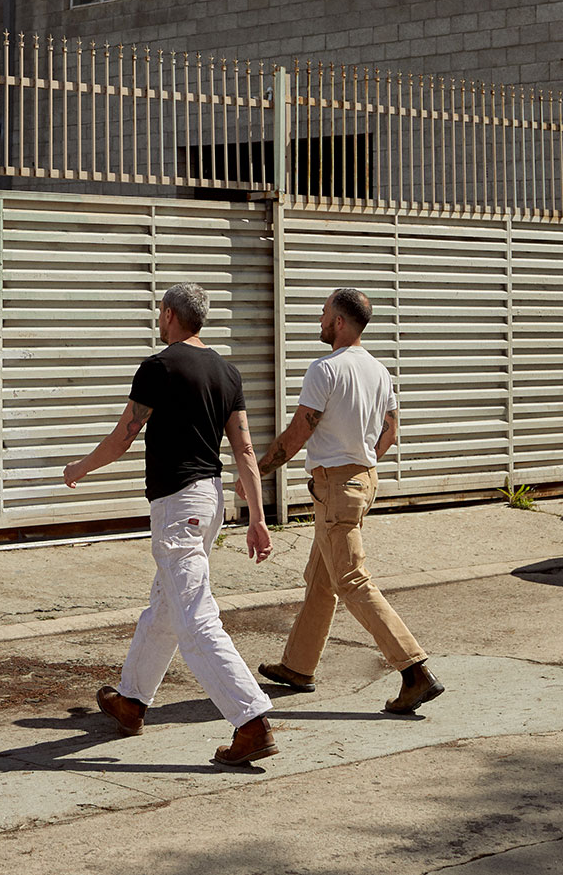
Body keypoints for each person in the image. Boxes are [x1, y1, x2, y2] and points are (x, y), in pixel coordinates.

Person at [63, 283, 278, 766]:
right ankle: (132, 702)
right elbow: (244, 450)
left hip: (178, 506)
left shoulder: (158, 368)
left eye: (160, 313)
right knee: (165, 607)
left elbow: (122, 437)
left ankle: (251, 721)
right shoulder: (227, 372)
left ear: (168, 315)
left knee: (195, 618)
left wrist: (80, 468)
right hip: (209, 501)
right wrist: (258, 518)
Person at [248, 286, 444, 714]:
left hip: (337, 487)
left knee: (351, 579)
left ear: (338, 321)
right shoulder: (379, 371)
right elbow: (390, 432)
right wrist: (361, 464)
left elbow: (298, 433)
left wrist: (255, 472)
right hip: (362, 481)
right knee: (322, 577)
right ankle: (298, 667)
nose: (319, 321)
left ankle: (414, 670)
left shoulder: (325, 369)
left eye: (323, 313)